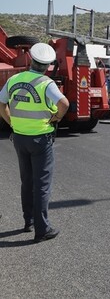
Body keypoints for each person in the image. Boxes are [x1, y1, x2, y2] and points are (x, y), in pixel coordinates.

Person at [0, 43, 69, 243]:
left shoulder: (14, 79)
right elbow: (64, 104)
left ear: (31, 60)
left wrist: (11, 121)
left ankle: (28, 221)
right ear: (47, 65)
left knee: (27, 181)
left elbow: (2, 103)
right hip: (40, 139)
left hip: (19, 138)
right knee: (42, 185)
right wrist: (56, 118)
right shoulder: (46, 83)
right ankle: (42, 229)